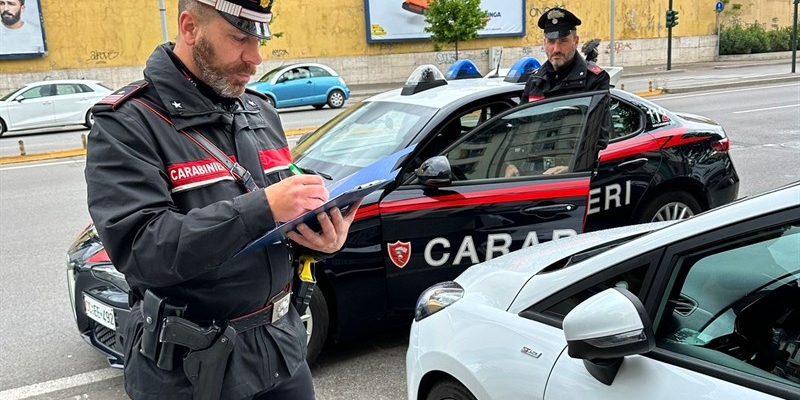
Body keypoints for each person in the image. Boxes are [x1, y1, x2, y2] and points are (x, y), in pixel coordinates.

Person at [85, 1, 358, 399]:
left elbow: (279, 230)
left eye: (259, 38)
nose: (256, 57)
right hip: (191, 374)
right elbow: (144, 248)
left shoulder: (259, 111)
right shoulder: (127, 122)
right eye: (239, 38)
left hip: (281, 352)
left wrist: (321, 242)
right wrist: (262, 207)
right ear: (190, 27)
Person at [520, 7, 610, 103]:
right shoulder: (535, 81)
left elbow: (597, 117)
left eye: (563, 41)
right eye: (551, 41)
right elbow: (520, 117)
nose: (556, 49)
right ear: (544, 43)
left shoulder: (595, 80)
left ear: (576, 41)